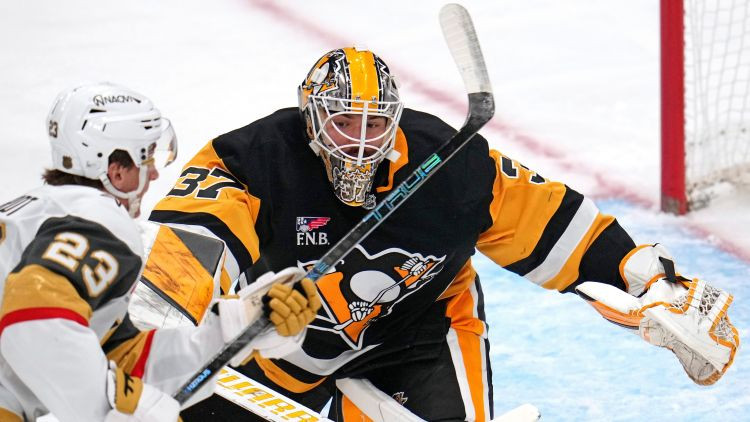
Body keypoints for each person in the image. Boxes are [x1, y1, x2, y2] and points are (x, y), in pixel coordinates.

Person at [144, 47, 740, 421]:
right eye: (344, 120)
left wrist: (649, 281)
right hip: (276, 344)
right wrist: (143, 334)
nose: (360, 140)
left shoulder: (451, 165)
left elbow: (555, 227)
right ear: (312, 116)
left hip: (418, 335)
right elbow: (188, 250)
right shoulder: (255, 159)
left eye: (375, 123)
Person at [0, 82, 320, 422]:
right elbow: (33, 318)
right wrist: (112, 411)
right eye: (147, 158)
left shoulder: (38, 211)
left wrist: (231, 328)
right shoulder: (97, 218)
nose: (154, 173)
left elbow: (123, 358)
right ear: (115, 170)